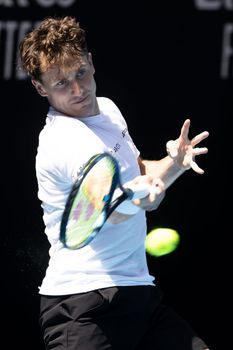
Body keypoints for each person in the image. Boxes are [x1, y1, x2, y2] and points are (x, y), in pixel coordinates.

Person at [19, 15, 211, 350]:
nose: (78, 90)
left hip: (139, 295)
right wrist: (141, 202)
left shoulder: (107, 110)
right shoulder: (63, 142)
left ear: (91, 62)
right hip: (84, 307)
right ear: (40, 87)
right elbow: (107, 208)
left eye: (80, 72)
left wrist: (176, 164)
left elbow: (137, 177)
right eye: (61, 83)